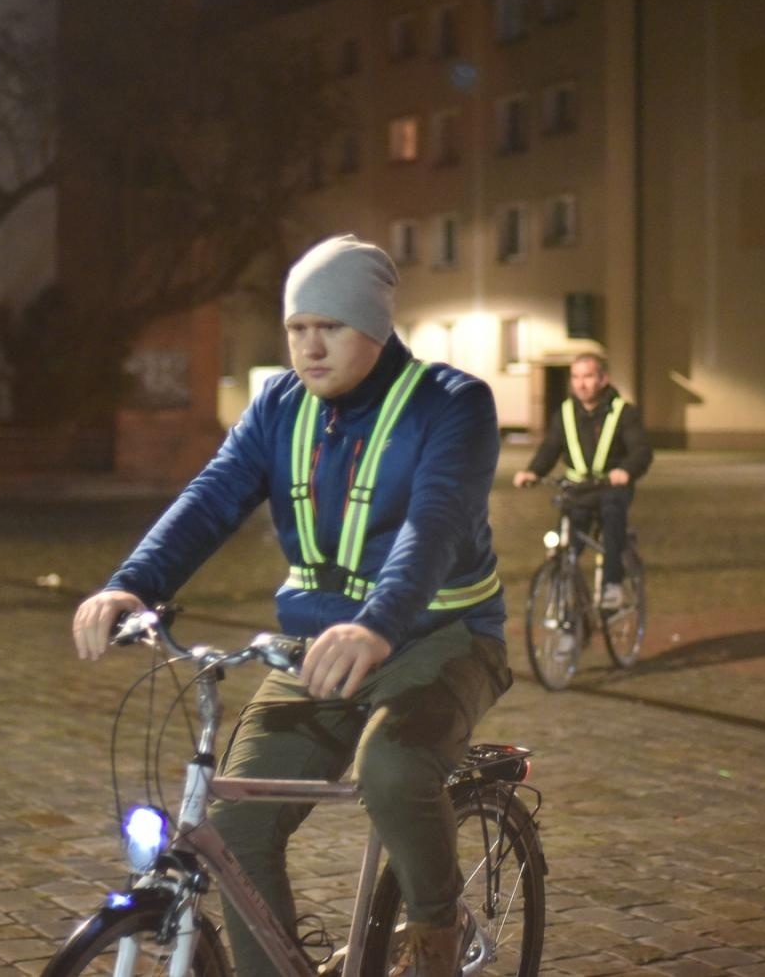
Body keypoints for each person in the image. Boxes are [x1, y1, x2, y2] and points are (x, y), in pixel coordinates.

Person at [73, 234, 511, 977]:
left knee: (394, 769)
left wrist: (377, 624)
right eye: (297, 328)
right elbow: (210, 499)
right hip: (321, 647)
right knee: (236, 822)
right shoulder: (277, 405)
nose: (310, 347)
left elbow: (433, 523)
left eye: (330, 327)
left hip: (445, 637)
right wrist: (133, 583)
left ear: (374, 325)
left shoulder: (452, 404)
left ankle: (438, 932)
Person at [512, 352, 652, 609]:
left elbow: (641, 451)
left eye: (588, 376)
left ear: (603, 379)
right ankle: (568, 612)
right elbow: (550, 448)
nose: (581, 383)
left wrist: (626, 471)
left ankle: (613, 584)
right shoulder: (565, 413)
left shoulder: (623, 412)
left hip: (611, 488)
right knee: (564, 548)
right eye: (576, 377)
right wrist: (533, 471)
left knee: (612, 520)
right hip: (578, 490)